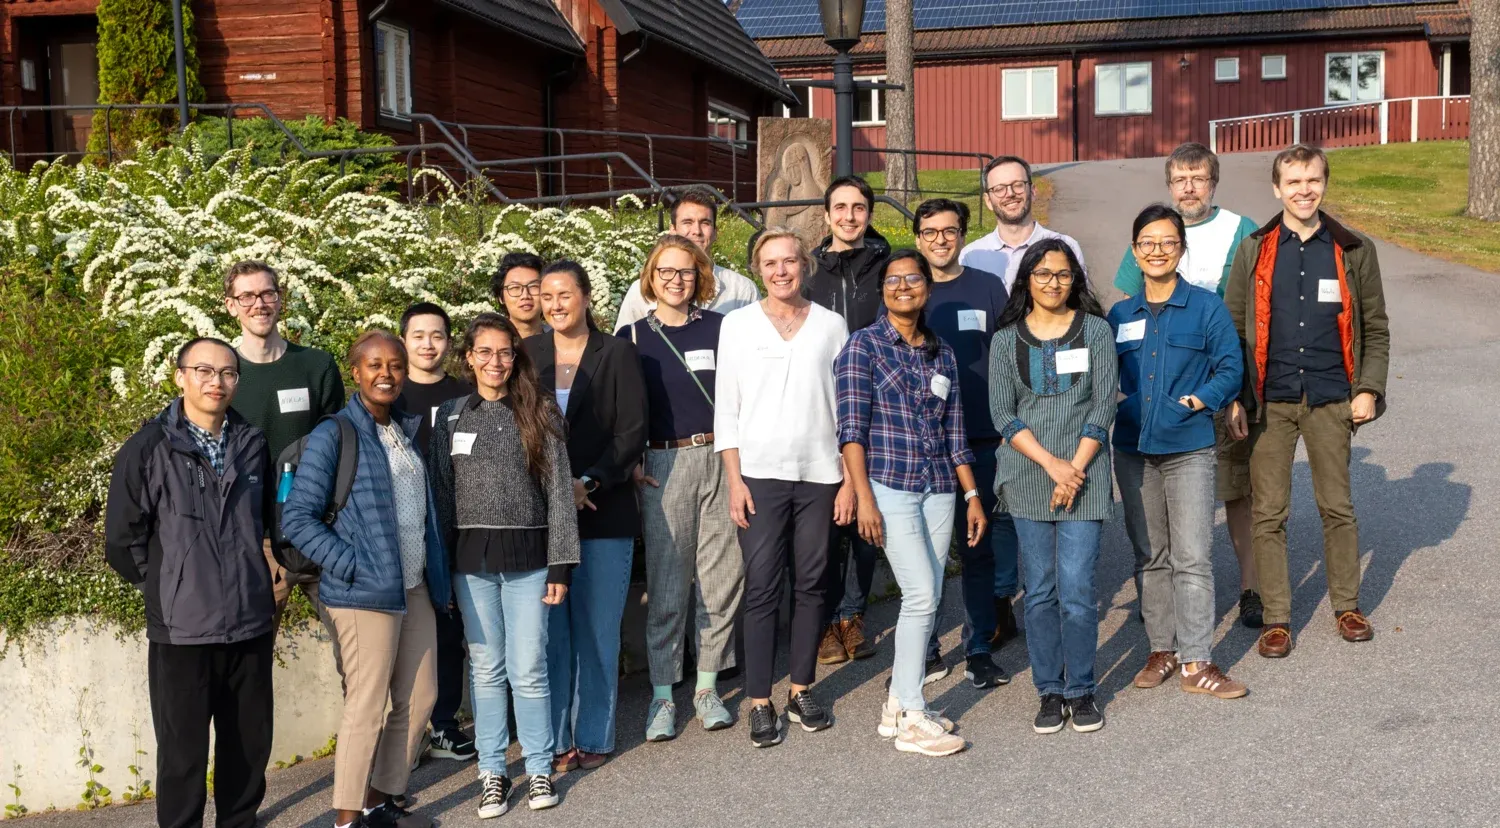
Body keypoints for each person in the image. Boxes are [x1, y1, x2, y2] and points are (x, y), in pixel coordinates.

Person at [1224, 144, 1390, 658]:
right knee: (1268, 512)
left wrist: (1368, 388)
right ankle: (1277, 617)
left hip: (1330, 398)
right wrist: (1233, 397)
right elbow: (1232, 327)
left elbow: (1375, 328)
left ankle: (1347, 604)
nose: (1303, 190)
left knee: (1336, 507)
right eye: (1293, 182)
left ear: (1324, 183)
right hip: (1269, 402)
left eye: (1312, 180)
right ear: (1277, 188)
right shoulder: (1254, 248)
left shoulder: (1353, 249)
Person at [281, 331, 451, 828]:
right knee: (368, 705)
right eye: (374, 364)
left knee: (421, 696)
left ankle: (380, 795)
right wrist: (351, 564)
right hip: (362, 592)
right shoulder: (335, 432)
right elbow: (299, 518)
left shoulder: (403, 428)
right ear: (354, 372)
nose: (386, 374)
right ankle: (347, 817)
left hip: (412, 584)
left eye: (395, 365)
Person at [105, 338, 275, 828]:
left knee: (248, 744)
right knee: (182, 753)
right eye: (203, 370)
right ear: (180, 376)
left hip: (248, 622)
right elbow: (122, 540)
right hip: (181, 631)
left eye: (227, 373)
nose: (215, 382)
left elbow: (268, 523)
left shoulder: (251, 442)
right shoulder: (148, 447)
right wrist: (169, 587)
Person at [836, 250, 985, 757]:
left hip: (941, 485)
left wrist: (971, 495)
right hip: (890, 486)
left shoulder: (940, 351)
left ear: (926, 287)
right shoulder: (863, 347)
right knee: (921, 595)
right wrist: (863, 497)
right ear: (882, 290)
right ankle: (913, 717)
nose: (904, 286)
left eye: (913, 278)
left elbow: (956, 430)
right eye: (894, 280)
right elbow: (850, 432)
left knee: (929, 594)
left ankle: (897, 705)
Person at [1113, 142, 1265, 628]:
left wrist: (1234, 394)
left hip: (1222, 383)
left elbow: (1251, 314)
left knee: (1235, 489)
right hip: (1165, 389)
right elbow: (1130, 313)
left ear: (1213, 182)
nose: (1189, 187)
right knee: (1156, 500)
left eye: (1198, 178)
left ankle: (1250, 588)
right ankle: (1159, 598)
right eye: (1180, 179)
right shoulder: (1150, 233)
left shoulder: (1238, 230)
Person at [430, 313, 575, 818]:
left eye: (505, 352)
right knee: (488, 670)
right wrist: (440, 572)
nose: (496, 362)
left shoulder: (540, 412)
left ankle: (538, 770)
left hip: (531, 562)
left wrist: (561, 566)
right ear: (468, 357)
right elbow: (441, 502)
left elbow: (559, 494)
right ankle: (492, 772)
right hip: (469, 565)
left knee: (529, 670)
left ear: (516, 358)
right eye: (485, 352)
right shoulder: (450, 415)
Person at [716, 228, 853, 748]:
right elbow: (725, 407)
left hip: (821, 473)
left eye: (790, 261)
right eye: (770, 263)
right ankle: (758, 700)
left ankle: (800, 688)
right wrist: (734, 480)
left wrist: (847, 482)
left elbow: (845, 410)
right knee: (763, 585)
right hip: (759, 474)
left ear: (804, 266)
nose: (781, 271)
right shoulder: (738, 326)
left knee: (813, 583)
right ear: (758, 269)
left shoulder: (831, 326)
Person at [1109, 204, 1248, 700]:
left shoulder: (1206, 307)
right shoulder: (1120, 314)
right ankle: (1161, 649)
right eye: (1147, 242)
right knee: (1151, 555)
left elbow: (1231, 368)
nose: (1157, 251)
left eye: (1168, 242)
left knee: (1192, 556)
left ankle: (1196, 661)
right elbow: (1104, 377)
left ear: (1181, 249)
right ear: (1135, 250)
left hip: (1188, 446)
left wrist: (1202, 400)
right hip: (1131, 450)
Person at [617, 236, 744, 742]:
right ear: (651, 277)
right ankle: (663, 695)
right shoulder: (629, 337)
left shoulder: (724, 329)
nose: (676, 280)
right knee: (668, 584)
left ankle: (708, 687)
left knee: (722, 577)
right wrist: (630, 462)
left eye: (687, 272)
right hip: (662, 463)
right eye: (666, 271)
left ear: (701, 278)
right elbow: (620, 410)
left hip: (720, 455)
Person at [523, 260, 648, 772]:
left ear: (587, 297)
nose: (554, 304)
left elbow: (631, 432)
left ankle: (594, 731)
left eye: (564, 295)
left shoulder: (617, 353)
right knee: (551, 636)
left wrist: (587, 482)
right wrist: (554, 489)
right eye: (545, 296)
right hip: (541, 516)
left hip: (603, 508)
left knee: (597, 632)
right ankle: (553, 740)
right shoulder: (527, 355)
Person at [989, 239, 1116, 736]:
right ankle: (1050, 689)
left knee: (1079, 589)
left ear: (1075, 280)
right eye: (1042, 273)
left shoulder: (1096, 333)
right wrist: (1052, 467)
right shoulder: (1005, 341)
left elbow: (1102, 405)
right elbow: (1004, 413)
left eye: (1062, 274)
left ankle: (1082, 688)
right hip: (1026, 477)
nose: (1053, 283)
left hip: (1085, 476)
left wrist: (1074, 470)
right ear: (1026, 280)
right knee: (1039, 590)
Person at [912, 197, 1019, 689]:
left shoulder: (987, 286)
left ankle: (978, 647)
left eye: (950, 231)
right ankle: (927, 648)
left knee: (978, 548)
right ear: (918, 238)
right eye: (930, 231)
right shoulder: (907, 288)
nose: (940, 239)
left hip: (983, 438)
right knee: (928, 554)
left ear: (962, 236)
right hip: (924, 447)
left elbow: (1011, 354)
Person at [222, 260, 345, 625]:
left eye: (267, 293)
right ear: (231, 305)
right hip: (255, 541)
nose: (258, 304)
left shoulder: (316, 366)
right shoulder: (222, 376)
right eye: (246, 296)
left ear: (280, 300)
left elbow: (341, 445)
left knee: (355, 656)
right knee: (252, 661)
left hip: (319, 531)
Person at [804, 175, 890, 664]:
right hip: (817, 408)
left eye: (859, 207)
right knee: (824, 522)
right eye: (841, 207)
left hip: (874, 409)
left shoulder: (886, 267)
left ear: (869, 214)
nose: (850, 216)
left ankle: (853, 615)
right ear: (827, 214)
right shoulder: (810, 273)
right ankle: (826, 620)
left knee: (862, 516)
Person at [393, 302, 477, 764]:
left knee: (449, 630)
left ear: (449, 342)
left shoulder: (466, 395)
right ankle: (404, 729)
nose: (428, 344)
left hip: (454, 530)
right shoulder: (390, 393)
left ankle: (444, 725)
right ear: (404, 340)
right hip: (401, 532)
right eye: (419, 335)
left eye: (438, 335)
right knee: (403, 634)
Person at [614, 187, 760, 327]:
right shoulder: (640, 291)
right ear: (672, 230)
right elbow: (622, 348)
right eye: (687, 222)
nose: (696, 231)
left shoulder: (742, 290)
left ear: (715, 232)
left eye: (705, 223)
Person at [960, 156, 1086, 293]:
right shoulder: (971, 257)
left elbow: (1081, 306)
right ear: (988, 201)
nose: (1010, 194)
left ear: (1033, 191)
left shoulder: (1067, 247)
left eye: (1018, 185)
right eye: (999, 189)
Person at [492, 252, 548, 339]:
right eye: (515, 288)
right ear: (501, 297)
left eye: (533, 286)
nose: (525, 295)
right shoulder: (491, 343)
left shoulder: (562, 339)